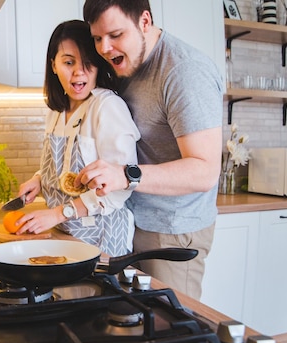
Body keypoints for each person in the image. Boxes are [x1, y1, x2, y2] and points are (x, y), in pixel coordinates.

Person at [77, 0, 224, 298]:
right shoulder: (125, 63)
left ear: (145, 21)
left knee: (172, 330)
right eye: (97, 38)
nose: (104, 48)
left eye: (115, 35)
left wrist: (125, 175)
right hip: (132, 224)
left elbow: (204, 171)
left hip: (172, 232)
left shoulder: (183, 72)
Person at [14, 19, 140, 257]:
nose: (79, 72)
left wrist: (59, 213)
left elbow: (119, 187)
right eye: (68, 62)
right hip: (66, 235)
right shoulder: (56, 111)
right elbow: (60, 164)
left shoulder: (107, 107)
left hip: (104, 242)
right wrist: (38, 180)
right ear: (53, 65)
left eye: (88, 63)